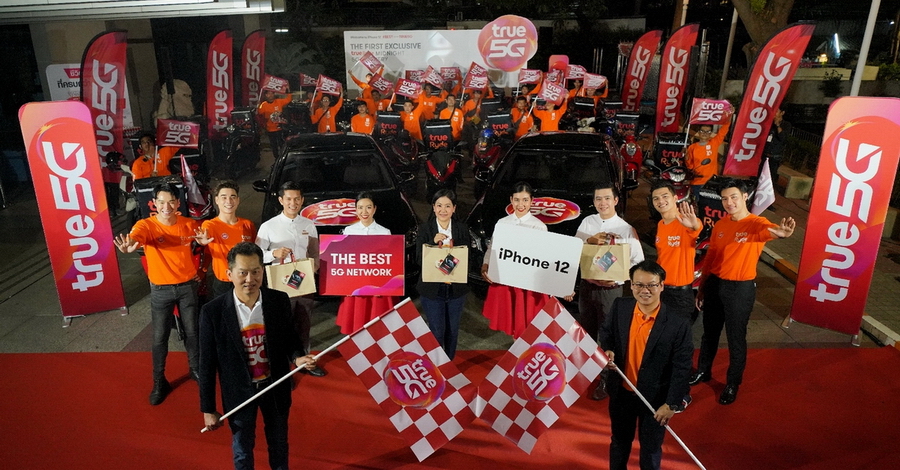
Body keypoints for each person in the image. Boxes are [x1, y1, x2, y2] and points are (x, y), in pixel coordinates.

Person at [199, 242, 318, 470]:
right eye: (243, 272)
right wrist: (208, 408)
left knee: (279, 443)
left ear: (263, 271)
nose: (250, 279)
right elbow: (207, 364)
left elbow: (290, 338)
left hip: (275, 386)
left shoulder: (278, 300)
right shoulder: (212, 312)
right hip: (239, 394)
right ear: (229, 274)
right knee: (242, 448)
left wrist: (298, 357)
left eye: (256, 271)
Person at [690, 178, 796, 405]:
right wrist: (702, 288)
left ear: (745, 197)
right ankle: (703, 371)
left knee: (735, 337)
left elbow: (771, 231)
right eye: (725, 199)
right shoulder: (721, 224)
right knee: (709, 333)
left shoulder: (756, 223)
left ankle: (732, 383)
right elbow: (711, 257)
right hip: (715, 284)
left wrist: (782, 233)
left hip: (740, 289)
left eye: (734, 197)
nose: (729, 202)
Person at [599, 260, 693, 470]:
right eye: (639, 284)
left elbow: (682, 367)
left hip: (655, 401)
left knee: (650, 449)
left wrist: (671, 404)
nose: (645, 290)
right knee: (619, 442)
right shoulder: (620, 307)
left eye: (651, 285)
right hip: (622, 394)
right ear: (631, 285)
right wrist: (608, 349)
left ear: (662, 286)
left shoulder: (677, 323)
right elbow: (607, 332)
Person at [114, 182, 201, 405]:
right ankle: (159, 381)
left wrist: (201, 263)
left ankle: (195, 369)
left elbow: (203, 242)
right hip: (161, 290)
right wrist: (130, 245)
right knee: (159, 337)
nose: (166, 206)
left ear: (178, 203)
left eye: (171, 201)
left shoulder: (189, 225)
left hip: (187, 287)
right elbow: (136, 238)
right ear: (154, 203)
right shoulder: (146, 225)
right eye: (161, 202)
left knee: (192, 332)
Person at [575, 183, 645, 400]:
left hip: (611, 290)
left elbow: (638, 262)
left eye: (607, 198)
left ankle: (606, 379)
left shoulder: (626, 229)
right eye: (598, 199)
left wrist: (620, 275)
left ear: (616, 200)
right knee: (586, 333)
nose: (602, 203)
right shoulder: (588, 222)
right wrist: (589, 240)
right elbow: (573, 249)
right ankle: (587, 371)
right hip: (587, 288)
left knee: (607, 336)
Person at [255, 181, 326, 377]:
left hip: (304, 283)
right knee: (279, 327)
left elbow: (314, 253)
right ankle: (281, 368)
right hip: (279, 285)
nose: (292, 203)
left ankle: (305, 362)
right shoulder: (268, 226)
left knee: (304, 323)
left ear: (302, 200)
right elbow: (257, 255)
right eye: (288, 199)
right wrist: (273, 254)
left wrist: (313, 268)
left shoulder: (308, 225)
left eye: (296, 199)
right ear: (280, 200)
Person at [480, 181, 550, 338]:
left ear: (532, 201)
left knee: (527, 325)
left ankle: (525, 351)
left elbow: (543, 258)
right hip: (506, 281)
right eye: (517, 200)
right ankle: (517, 349)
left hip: (528, 285)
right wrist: (486, 264)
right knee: (511, 323)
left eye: (525, 200)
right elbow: (493, 247)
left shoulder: (539, 226)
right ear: (511, 200)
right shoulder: (502, 223)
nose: (521, 204)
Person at [416, 189, 471, 359]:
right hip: (432, 291)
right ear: (433, 207)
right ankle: (436, 365)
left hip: (455, 291)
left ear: (454, 208)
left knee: (452, 331)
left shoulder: (462, 229)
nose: (443, 210)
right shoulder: (425, 229)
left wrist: (448, 263)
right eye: (439, 205)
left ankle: (449, 365)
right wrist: (432, 244)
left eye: (448, 206)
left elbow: (468, 257)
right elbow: (418, 259)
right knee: (437, 331)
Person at [335, 192, 398, 334]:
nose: (364, 212)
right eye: (360, 207)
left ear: (374, 209)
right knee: (356, 323)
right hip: (355, 285)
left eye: (368, 207)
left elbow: (389, 263)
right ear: (356, 209)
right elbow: (344, 261)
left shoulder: (385, 232)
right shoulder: (349, 231)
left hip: (378, 285)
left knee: (378, 325)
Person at [650, 180, 701, 322]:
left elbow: (696, 228)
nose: (660, 201)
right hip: (661, 290)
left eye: (665, 196)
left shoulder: (685, 222)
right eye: (656, 198)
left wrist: (693, 225)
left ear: (675, 198)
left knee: (680, 333)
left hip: (680, 294)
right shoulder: (661, 224)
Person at [196, 181, 257, 299]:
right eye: (224, 197)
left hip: (246, 280)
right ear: (217, 200)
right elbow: (205, 246)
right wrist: (201, 243)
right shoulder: (210, 225)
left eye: (232, 197)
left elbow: (255, 252)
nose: (229, 201)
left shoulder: (247, 225)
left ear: (238, 200)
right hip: (223, 282)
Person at [686, 120, 730, 201]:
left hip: (711, 182)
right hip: (697, 182)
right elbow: (690, 166)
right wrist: (686, 157)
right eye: (702, 131)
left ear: (710, 133)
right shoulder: (692, 147)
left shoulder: (714, 143)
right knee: (697, 204)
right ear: (698, 132)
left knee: (710, 204)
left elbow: (723, 132)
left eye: (708, 131)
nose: (704, 133)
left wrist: (728, 118)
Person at [257, 89, 292, 159]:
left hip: (280, 128)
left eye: (272, 93)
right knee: (274, 145)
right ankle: (276, 158)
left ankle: (283, 158)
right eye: (268, 94)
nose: (270, 95)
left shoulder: (279, 101)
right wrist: (258, 106)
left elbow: (288, 100)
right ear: (265, 95)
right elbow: (259, 113)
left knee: (282, 144)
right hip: (270, 129)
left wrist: (288, 91)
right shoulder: (263, 105)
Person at [762, 108, 791, 179]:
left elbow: (783, 138)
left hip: (775, 157)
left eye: (777, 111)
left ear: (782, 113)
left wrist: (777, 125)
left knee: (770, 178)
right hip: (765, 155)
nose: (774, 113)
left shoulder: (786, 125)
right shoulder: (769, 123)